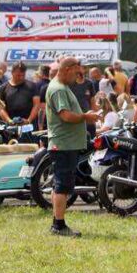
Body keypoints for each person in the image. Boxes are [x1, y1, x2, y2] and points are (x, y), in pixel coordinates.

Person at [45, 57, 100, 237]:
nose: (78, 77)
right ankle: (59, 226)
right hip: (63, 144)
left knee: (60, 184)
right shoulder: (59, 89)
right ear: (67, 69)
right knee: (61, 185)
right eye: (76, 73)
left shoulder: (61, 87)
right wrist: (86, 117)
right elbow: (66, 116)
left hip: (65, 143)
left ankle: (57, 222)